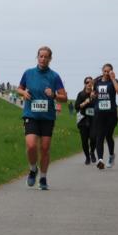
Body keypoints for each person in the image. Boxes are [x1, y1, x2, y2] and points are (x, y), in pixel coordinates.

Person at [16, 46, 68, 190]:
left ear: (50, 59)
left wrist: (54, 95)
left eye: (46, 57)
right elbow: (19, 88)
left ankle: (43, 178)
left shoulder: (54, 76)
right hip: (30, 115)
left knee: (45, 148)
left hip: (47, 117)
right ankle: (33, 169)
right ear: (37, 57)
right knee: (31, 145)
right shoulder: (28, 73)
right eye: (41, 56)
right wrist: (23, 93)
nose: (43, 59)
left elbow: (64, 98)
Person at [90, 63, 118, 169]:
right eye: (105, 71)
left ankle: (111, 155)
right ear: (102, 71)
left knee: (108, 136)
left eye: (109, 71)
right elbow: (92, 94)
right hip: (99, 113)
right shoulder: (97, 82)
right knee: (99, 136)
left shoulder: (114, 81)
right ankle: (100, 159)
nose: (106, 73)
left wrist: (113, 79)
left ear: (112, 71)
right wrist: (92, 95)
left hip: (111, 114)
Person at [74, 77, 98, 165]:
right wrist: (85, 102)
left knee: (93, 137)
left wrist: (94, 98)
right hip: (83, 119)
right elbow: (76, 107)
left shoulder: (95, 94)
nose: (89, 84)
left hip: (93, 119)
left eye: (90, 82)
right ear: (84, 83)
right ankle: (87, 157)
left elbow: (98, 106)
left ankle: (92, 152)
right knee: (84, 140)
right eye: (87, 82)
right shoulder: (81, 94)